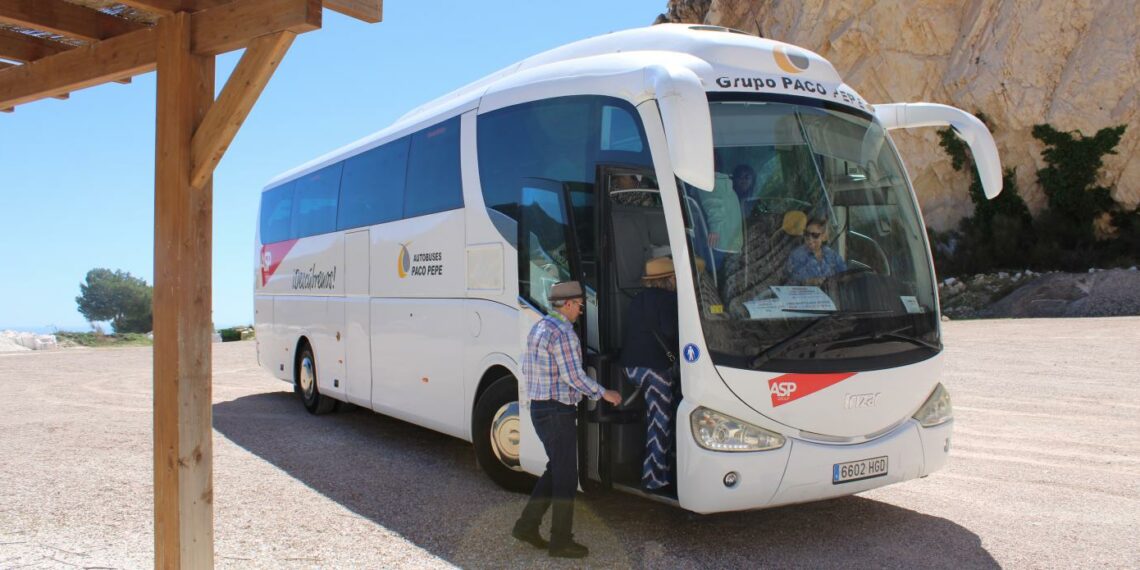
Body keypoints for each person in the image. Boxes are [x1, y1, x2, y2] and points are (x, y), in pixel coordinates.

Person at [512, 281, 622, 559]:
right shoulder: (564, 333)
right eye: (580, 306)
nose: (581, 312)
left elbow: (526, 367)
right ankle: (560, 541)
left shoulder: (539, 326)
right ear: (569, 303)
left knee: (556, 471)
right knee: (565, 477)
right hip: (557, 411)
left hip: (540, 408)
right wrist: (604, 393)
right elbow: (572, 376)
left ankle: (526, 526)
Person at [620, 257, 680, 494]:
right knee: (660, 423)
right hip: (654, 369)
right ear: (668, 280)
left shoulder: (638, 299)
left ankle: (657, 470)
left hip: (631, 367)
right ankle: (654, 478)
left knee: (655, 418)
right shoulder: (668, 300)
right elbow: (671, 332)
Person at [786, 217, 847, 285]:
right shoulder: (796, 255)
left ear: (824, 237)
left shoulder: (832, 255)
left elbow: (844, 275)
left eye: (815, 235)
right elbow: (790, 281)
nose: (810, 238)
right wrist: (808, 281)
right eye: (806, 234)